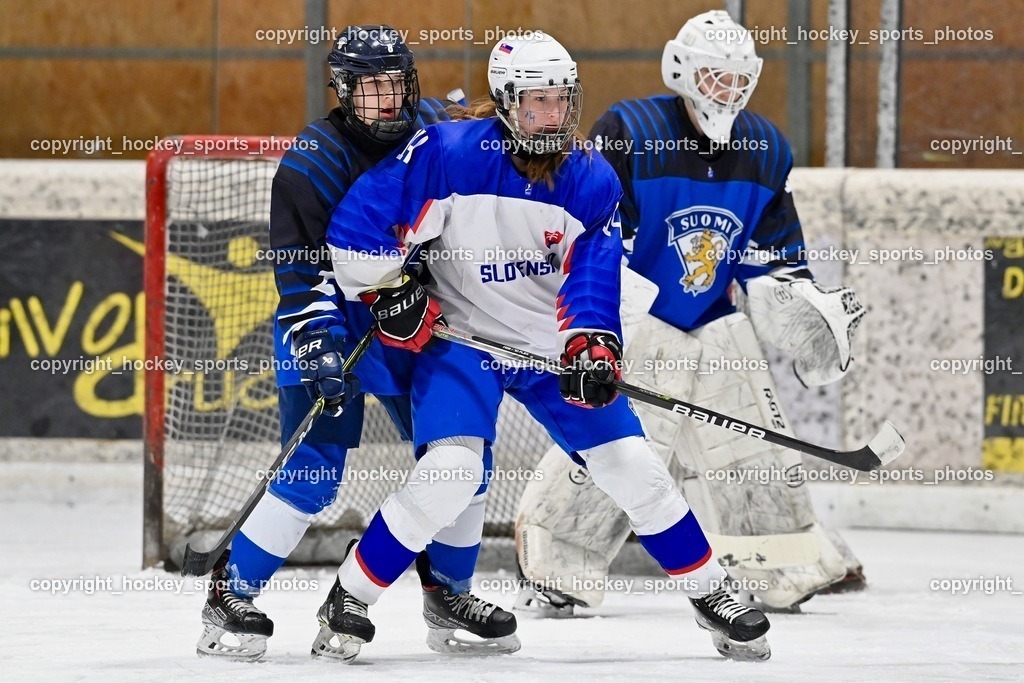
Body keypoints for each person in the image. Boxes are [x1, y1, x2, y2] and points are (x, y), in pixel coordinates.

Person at [324, 31, 772, 662]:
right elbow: (358, 224)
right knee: (452, 474)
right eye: (537, 102)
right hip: (466, 342)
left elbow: (593, 277)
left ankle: (710, 591)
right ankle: (349, 595)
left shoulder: (590, 178)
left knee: (634, 466)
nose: (553, 114)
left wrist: (593, 346)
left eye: (562, 100)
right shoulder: (449, 152)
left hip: (549, 350)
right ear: (507, 101)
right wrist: (389, 288)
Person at [514, 9, 867, 616]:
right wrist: (601, 329)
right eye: (714, 76)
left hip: (713, 319)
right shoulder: (632, 129)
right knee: (620, 443)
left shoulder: (765, 148)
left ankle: (784, 564)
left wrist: (809, 312)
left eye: (738, 78)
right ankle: (559, 564)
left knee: (753, 445)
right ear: (681, 70)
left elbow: (772, 259)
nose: (726, 90)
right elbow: (600, 238)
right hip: (636, 320)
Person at [196, 24, 518, 662]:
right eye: (371, 88)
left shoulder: (433, 129)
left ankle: (448, 593)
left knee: (464, 461)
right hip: (332, 324)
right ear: (343, 91)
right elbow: (302, 274)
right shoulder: (310, 163)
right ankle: (231, 592)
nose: (387, 99)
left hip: (413, 321)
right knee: (313, 473)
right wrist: (318, 347)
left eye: (396, 83)